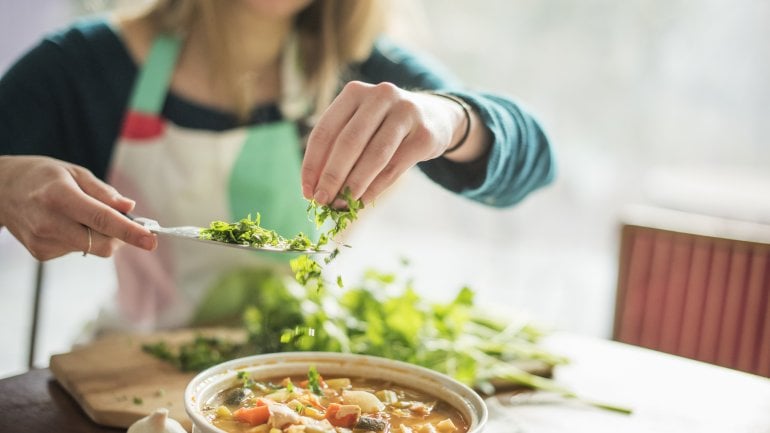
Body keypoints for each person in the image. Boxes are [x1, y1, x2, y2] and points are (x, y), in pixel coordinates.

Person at [0, 0, 555, 331]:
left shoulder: (365, 64)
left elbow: (538, 159)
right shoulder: (86, 65)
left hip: (300, 378)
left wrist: (452, 118)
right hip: (132, 374)